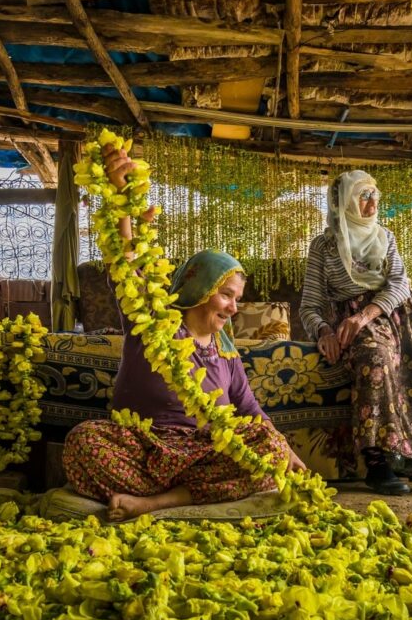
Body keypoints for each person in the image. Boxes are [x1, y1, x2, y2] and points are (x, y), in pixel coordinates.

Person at [64, 149, 306, 520]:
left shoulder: (226, 354)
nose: (233, 308)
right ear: (198, 290)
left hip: (205, 454)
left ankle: (155, 503)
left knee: (268, 446)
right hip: (143, 448)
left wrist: (284, 448)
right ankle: (194, 495)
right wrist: (122, 200)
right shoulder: (154, 326)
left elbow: (250, 411)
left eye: (237, 299)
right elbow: (128, 269)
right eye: (226, 295)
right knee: (83, 442)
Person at [300, 170, 412, 499]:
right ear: (344, 203)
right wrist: (324, 330)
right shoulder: (324, 247)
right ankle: (378, 464)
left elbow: (399, 284)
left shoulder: (386, 237)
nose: (371, 203)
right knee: (376, 361)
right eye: (362, 196)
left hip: (400, 312)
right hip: (354, 321)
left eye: (373, 195)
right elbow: (309, 305)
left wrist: (367, 313)